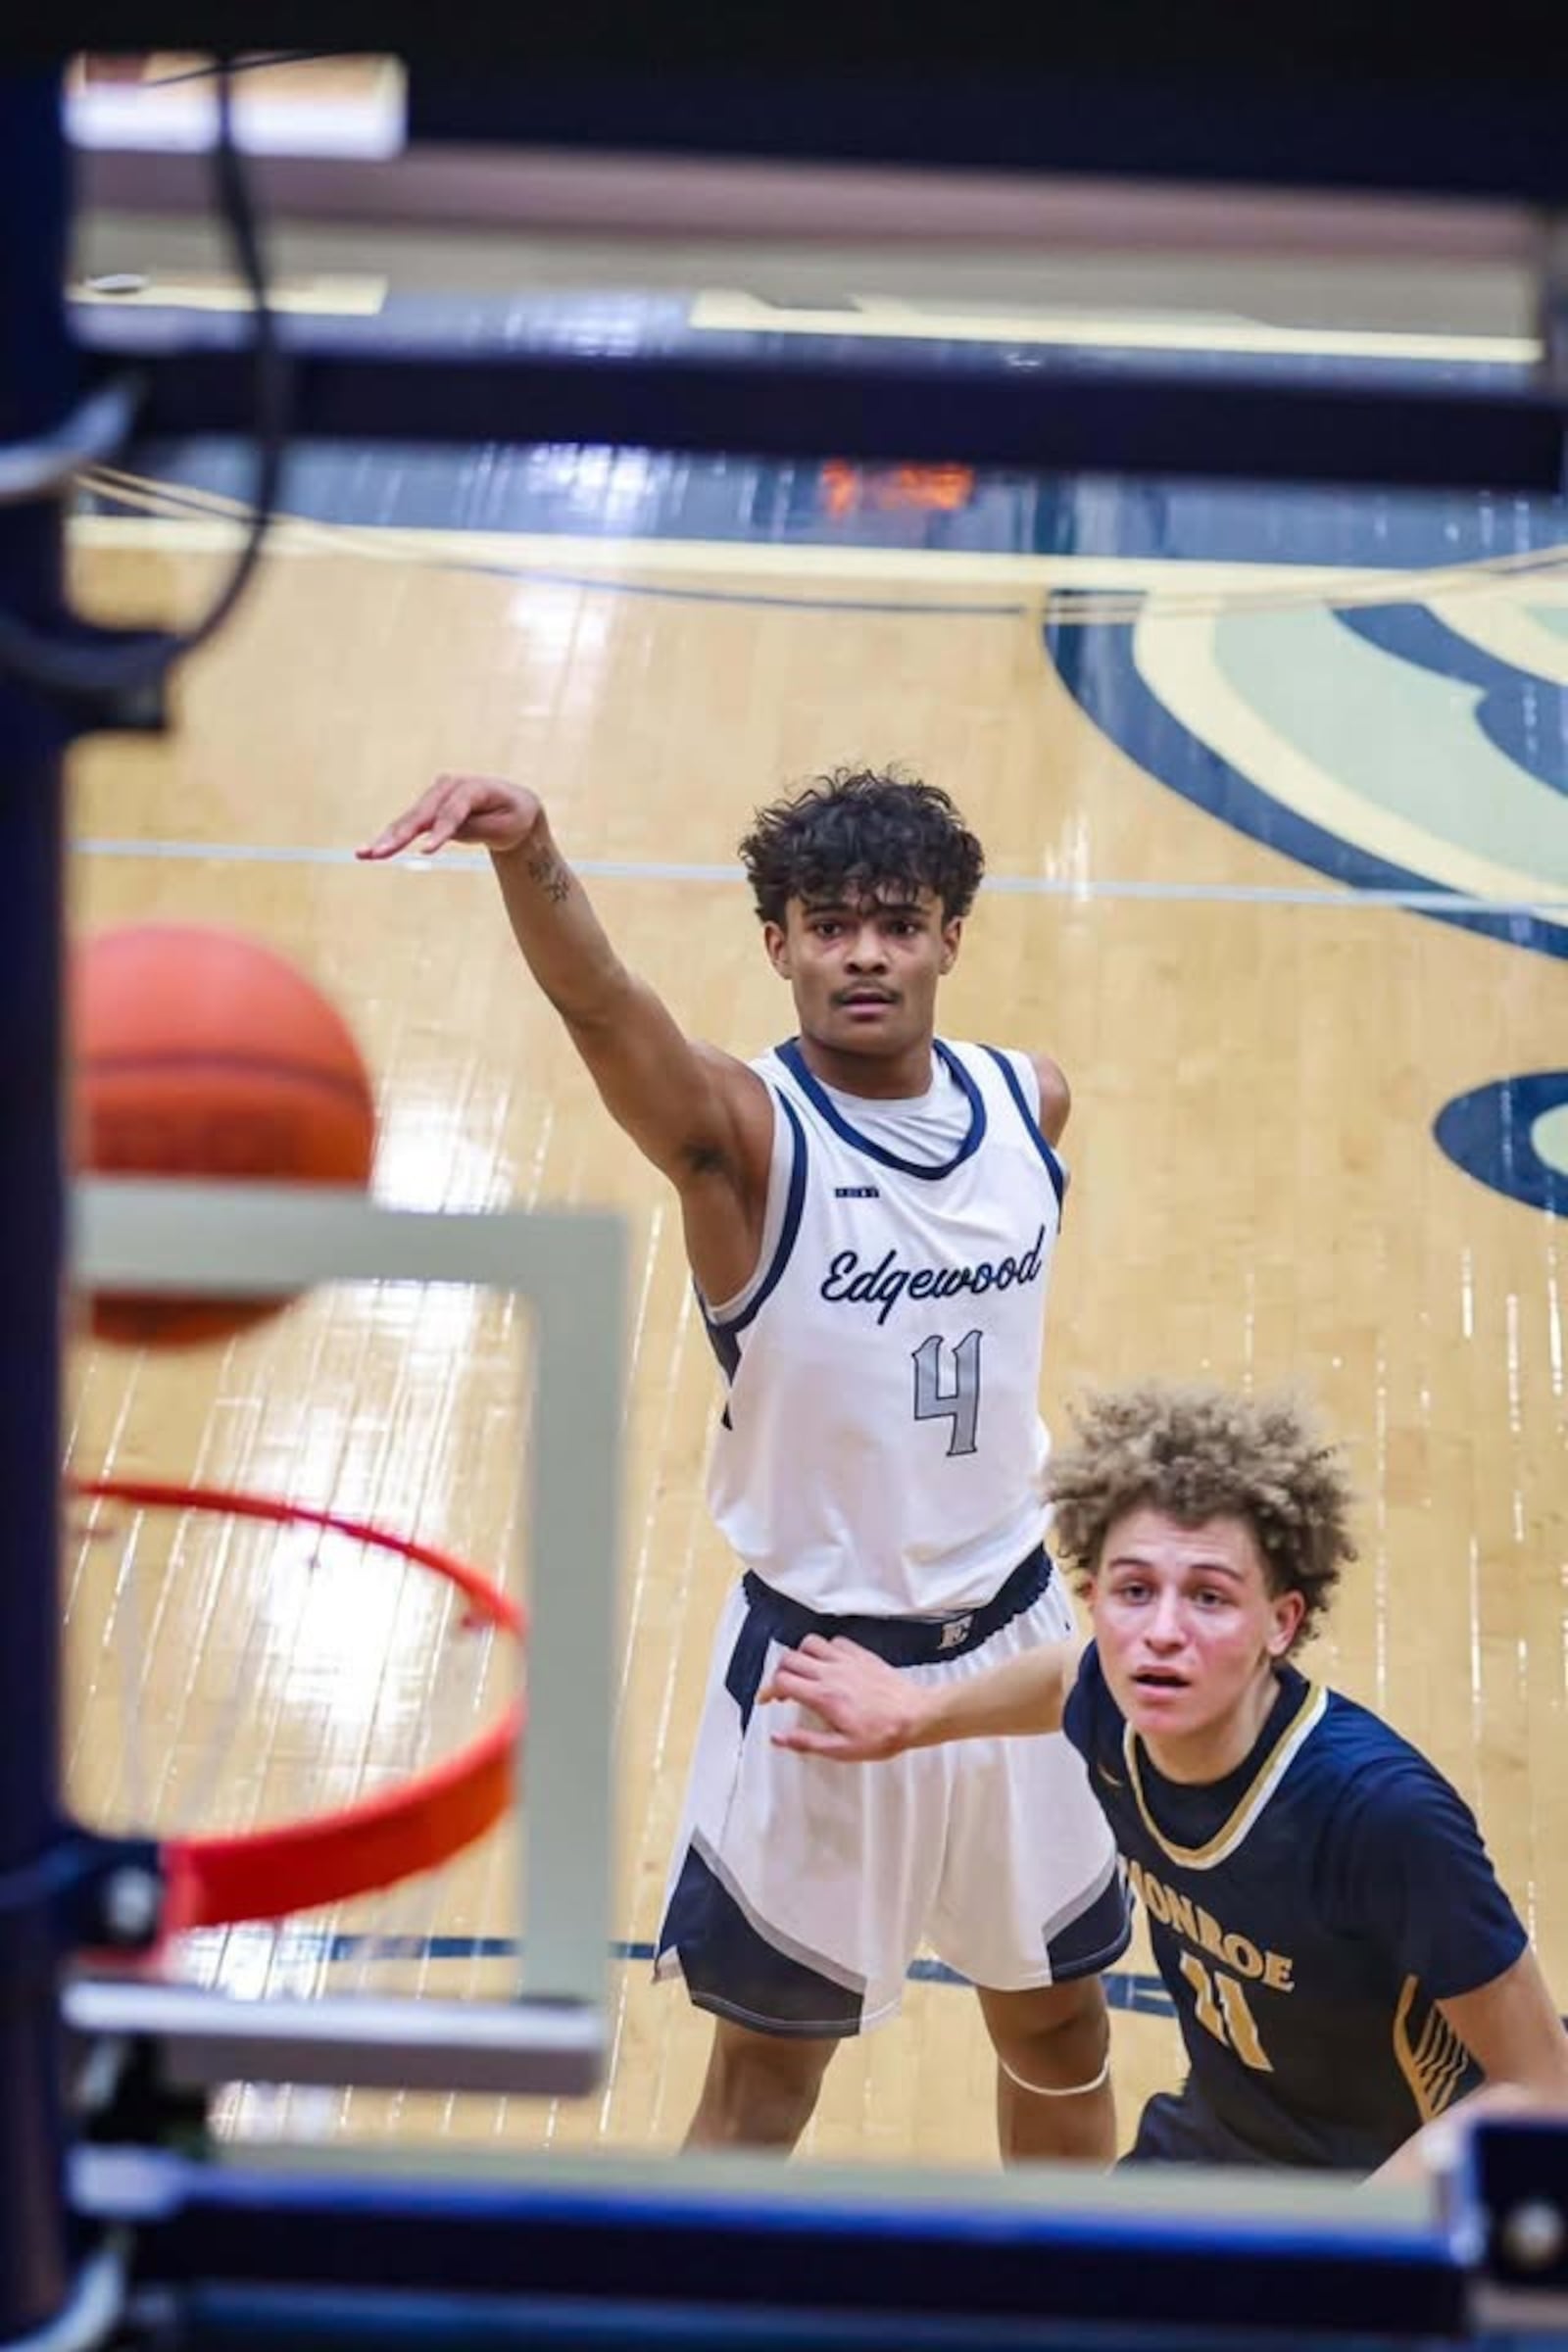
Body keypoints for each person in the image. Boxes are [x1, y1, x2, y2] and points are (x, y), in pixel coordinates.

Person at [359, 765, 1129, 2162]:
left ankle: (1083, 2306)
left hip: (1016, 1641)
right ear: (776, 944)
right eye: (828, 926)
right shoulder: (743, 1139)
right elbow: (605, 1010)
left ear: (953, 935)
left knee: (1064, 2030)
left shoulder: (1034, 1106)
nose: (866, 955)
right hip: (824, 1671)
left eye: (898, 923)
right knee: (769, 2084)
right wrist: (531, 851)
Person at [761, 1379, 1568, 2178]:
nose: (1162, 1634)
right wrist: (917, 1715)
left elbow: (1540, 2087)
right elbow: (1063, 1681)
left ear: (1281, 1624)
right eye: (1135, 1592)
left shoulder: (1379, 1815)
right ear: (1093, 1598)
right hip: (1222, 2144)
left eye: (1210, 1599)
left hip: (1397, 2183)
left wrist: (1353, 2245)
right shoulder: (1121, 1709)